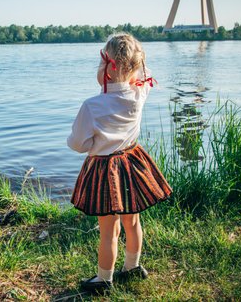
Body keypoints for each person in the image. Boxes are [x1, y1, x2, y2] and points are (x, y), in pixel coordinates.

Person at [67, 33, 172, 292]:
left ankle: (104, 279)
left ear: (106, 66)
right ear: (136, 66)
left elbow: (77, 144)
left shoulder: (92, 105)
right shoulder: (140, 93)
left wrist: (95, 146)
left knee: (108, 230)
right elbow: (143, 76)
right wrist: (135, 68)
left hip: (104, 170)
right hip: (131, 165)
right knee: (132, 221)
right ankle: (133, 267)